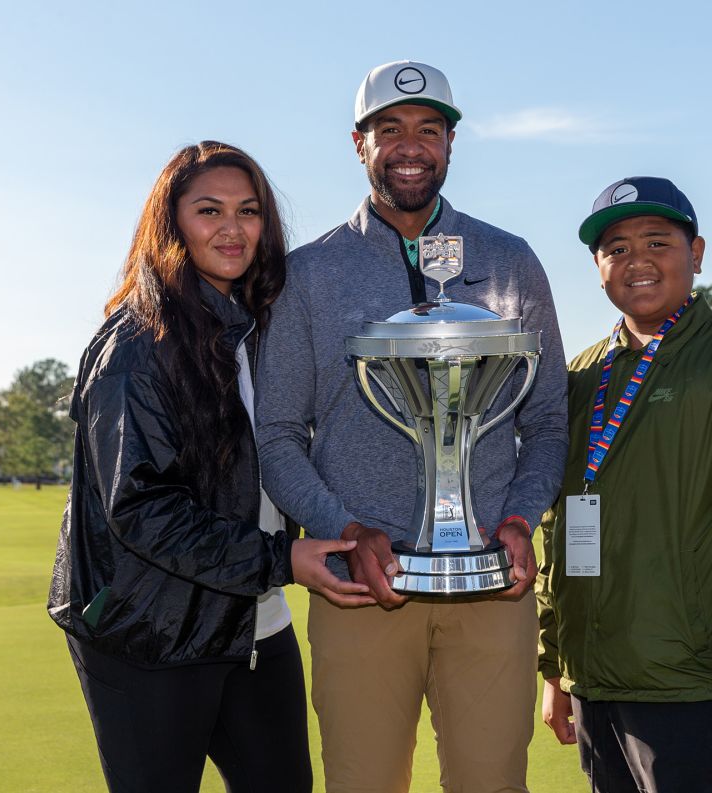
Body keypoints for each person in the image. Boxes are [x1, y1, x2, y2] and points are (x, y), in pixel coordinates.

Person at [255, 61, 568, 793]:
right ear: (358, 143)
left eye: (429, 129)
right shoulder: (308, 274)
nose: (410, 146)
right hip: (360, 588)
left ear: (452, 144)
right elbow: (276, 435)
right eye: (389, 129)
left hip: (491, 584)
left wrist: (521, 517)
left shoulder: (511, 260)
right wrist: (345, 527)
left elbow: (548, 420)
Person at [47, 142, 373, 793]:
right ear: (173, 223)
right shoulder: (138, 345)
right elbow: (142, 509)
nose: (232, 227)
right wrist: (283, 559)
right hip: (151, 632)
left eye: (248, 210)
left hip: (256, 623)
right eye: (208, 210)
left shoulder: (250, 328)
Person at [537, 176, 712, 792]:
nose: (636, 260)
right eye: (615, 248)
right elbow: (558, 528)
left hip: (694, 684)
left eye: (657, 242)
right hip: (595, 681)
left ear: (695, 253)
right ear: (597, 266)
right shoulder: (580, 374)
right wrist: (555, 665)